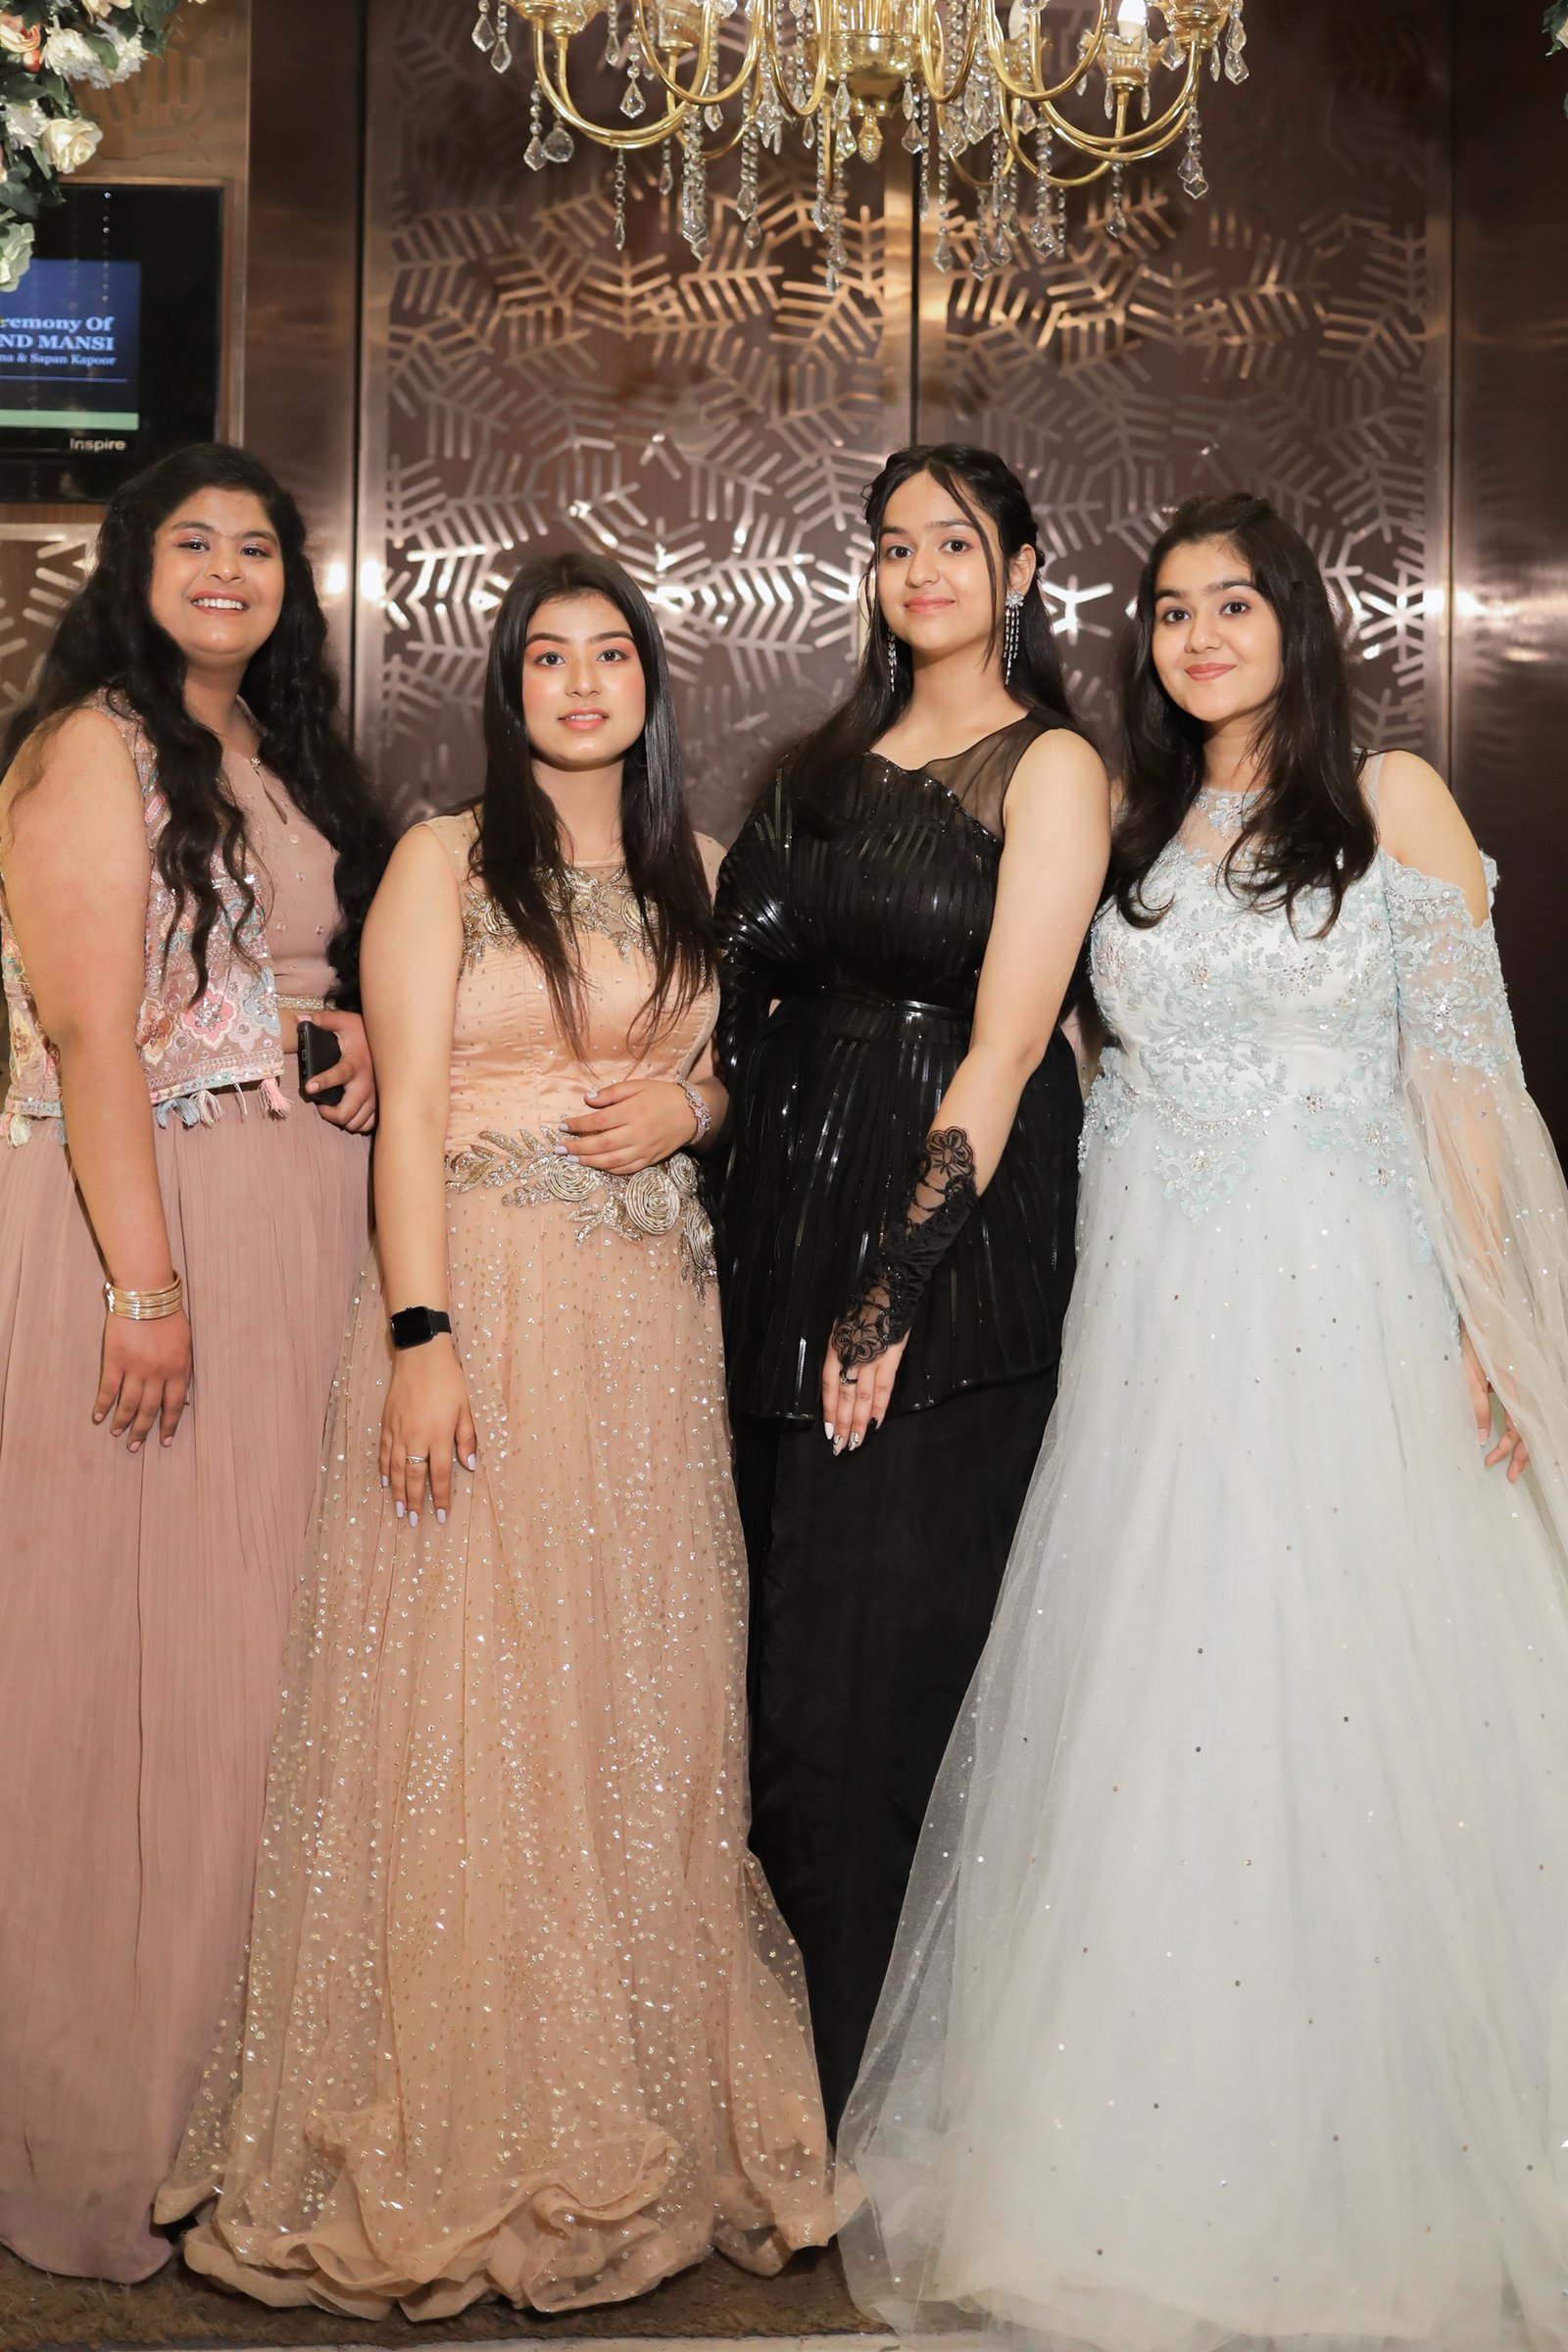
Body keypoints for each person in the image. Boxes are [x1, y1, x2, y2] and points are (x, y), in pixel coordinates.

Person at [839, 490, 1568, 2352]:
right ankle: (1158, 2145)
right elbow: (1068, 1055)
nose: (1202, 636)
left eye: (1235, 605)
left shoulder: (1391, 802)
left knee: (1360, 1694)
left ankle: (1381, 2151)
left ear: (1297, 625)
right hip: (1159, 1326)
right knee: (1164, 1702)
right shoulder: (1126, 824)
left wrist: (1485, 1322)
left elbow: (1461, 1080)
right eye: (1171, 611)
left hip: (1353, 1307)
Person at [157, 550, 835, 2319]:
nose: (583, 682)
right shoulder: (446, 863)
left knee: (630, 1700)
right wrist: (421, 1339)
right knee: (468, 1695)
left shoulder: (700, 872)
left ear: (651, 686)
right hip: (486, 1306)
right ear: (509, 685)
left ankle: (634, 2090)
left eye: (612, 654)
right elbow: (407, 1116)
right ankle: (462, 2110)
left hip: (648, 1334)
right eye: (549, 656)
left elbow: (739, 1074)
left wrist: (692, 1106)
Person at [0, 443, 389, 2279]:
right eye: (193, 541)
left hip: (295, 1233)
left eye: (258, 547)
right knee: (135, 1665)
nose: (228, 569)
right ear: (132, 565)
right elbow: (93, 1032)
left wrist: (353, 1034)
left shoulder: (279, 754)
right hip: (150, 1237)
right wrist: (145, 1287)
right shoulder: (94, 747)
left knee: (264, 1669)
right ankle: (122, 2108)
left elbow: (284, 975)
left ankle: (251, 2097)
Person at [714, 444, 1110, 2132]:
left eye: (956, 543)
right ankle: (773, 2091)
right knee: (773, 1673)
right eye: (894, 546)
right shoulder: (814, 767)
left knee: (877, 1692)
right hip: (771, 1242)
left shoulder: (1053, 766)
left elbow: (1010, 1046)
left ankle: (868, 2111)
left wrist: (890, 1293)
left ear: (1019, 572)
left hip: (945, 1261)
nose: (922, 569)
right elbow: (723, 992)